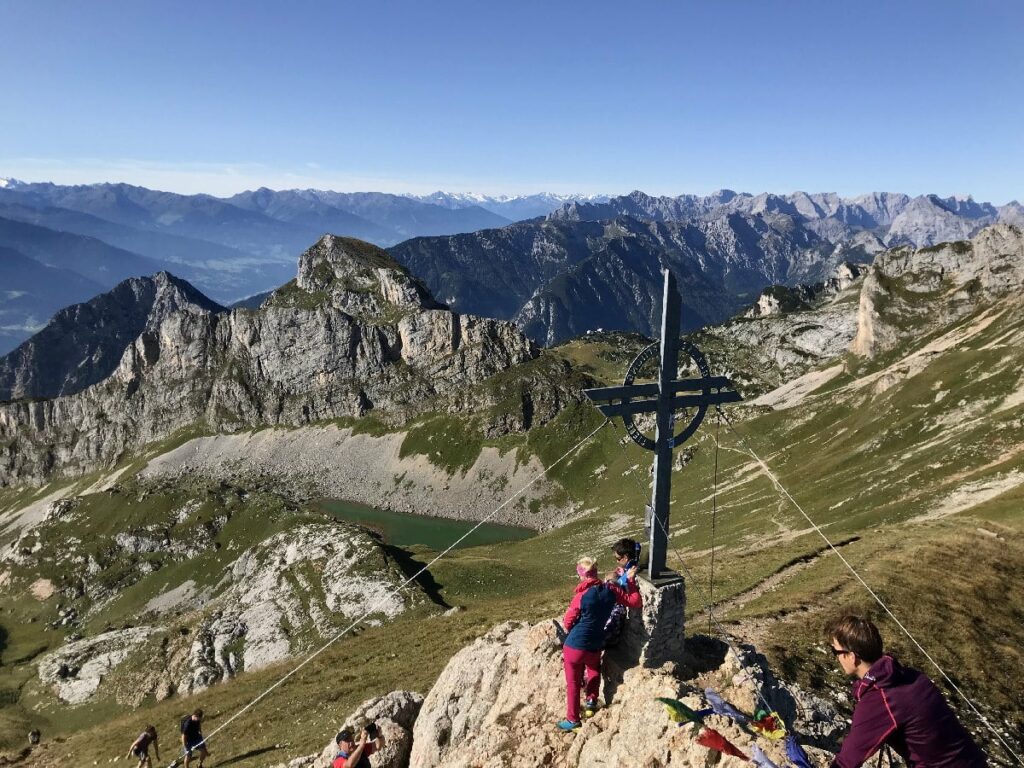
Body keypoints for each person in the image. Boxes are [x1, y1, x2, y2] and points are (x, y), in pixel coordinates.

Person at [825, 615, 987, 768]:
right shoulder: (909, 675)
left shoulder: (880, 699)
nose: (836, 658)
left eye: (836, 652)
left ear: (852, 657)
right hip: (973, 760)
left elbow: (848, 760)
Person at [558, 556, 642, 731]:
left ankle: (573, 720)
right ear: (595, 572)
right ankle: (591, 702)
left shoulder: (581, 596)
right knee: (594, 669)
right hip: (596, 642)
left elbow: (567, 622)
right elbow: (635, 602)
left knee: (573, 683)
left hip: (574, 645)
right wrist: (631, 581)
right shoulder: (611, 590)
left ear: (581, 575)